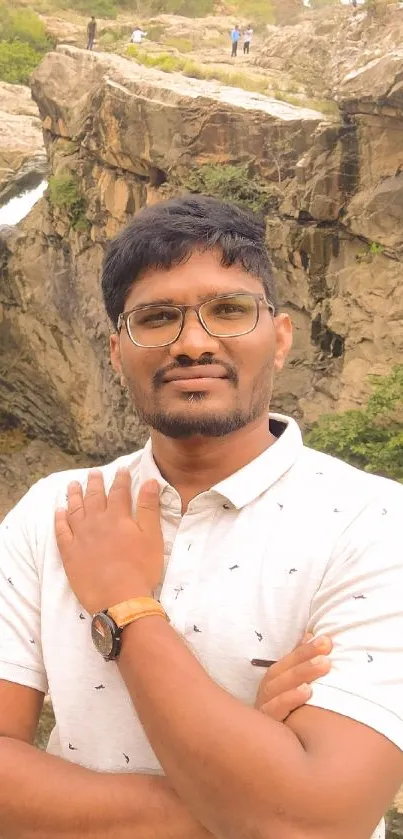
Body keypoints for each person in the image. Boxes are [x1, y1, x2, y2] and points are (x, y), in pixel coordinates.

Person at [0, 195, 402, 839]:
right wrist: (244, 797)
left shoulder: (376, 523)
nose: (193, 343)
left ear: (280, 337)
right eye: (156, 318)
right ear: (114, 350)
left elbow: (319, 821)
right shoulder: (55, 510)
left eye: (229, 310)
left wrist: (125, 603)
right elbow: (295, 819)